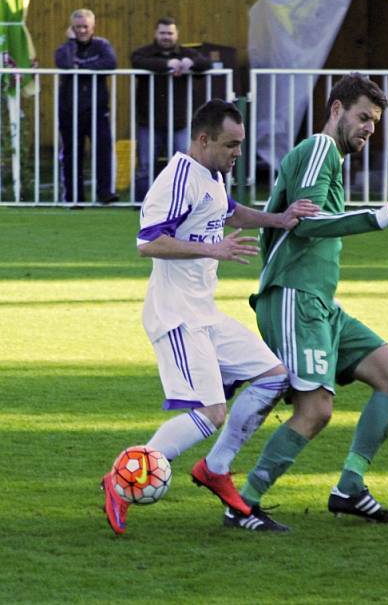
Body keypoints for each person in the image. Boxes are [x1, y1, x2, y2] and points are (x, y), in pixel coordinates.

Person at [100, 99, 319, 535]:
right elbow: (148, 243)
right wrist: (212, 249)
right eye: (230, 144)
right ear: (203, 140)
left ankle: (215, 468)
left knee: (274, 376)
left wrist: (279, 219)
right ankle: (121, 480)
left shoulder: (213, 174)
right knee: (211, 413)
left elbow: (227, 211)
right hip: (176, 316)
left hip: (205, 313)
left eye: (240, 144)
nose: (238, 152)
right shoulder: (177, 179)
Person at [212, 73, 388, 532]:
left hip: (320, 303)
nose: (369, 128)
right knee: (316, 410)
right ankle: (243, 502)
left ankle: (349, 487)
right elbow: (306, 222)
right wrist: (375, 218)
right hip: (293, 297)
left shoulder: (332, 159)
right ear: (337, 109)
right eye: (364, 117)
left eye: (376, 122)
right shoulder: (320, 149)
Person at [131, 17, 212, 201]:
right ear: (155, 34)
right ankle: (141, 203)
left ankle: (185, 202)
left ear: (176, 34)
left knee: (187, 165)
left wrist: (190, 63)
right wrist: (167, 65)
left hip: (180, 122)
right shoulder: (144, 53)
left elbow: (205, 62)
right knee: (145, 166)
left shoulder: (186, 53)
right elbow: (137, 61)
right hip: (149, 121)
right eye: (162, 33)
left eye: (170, 33)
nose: (166, 37)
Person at [54, 8, 117, 204]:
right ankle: (74, 198)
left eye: (85, 27)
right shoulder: (65, 48)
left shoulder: (102, 45)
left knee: (103, 151)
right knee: (72, 154)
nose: (82, 31)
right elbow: (63, 63)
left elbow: (110, 63)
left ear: (93, 27)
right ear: (71, 28)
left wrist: (79, 68)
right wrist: (71, 42)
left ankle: (104, 193)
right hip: (69, 110)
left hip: (97, 109)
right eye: (78, 27)